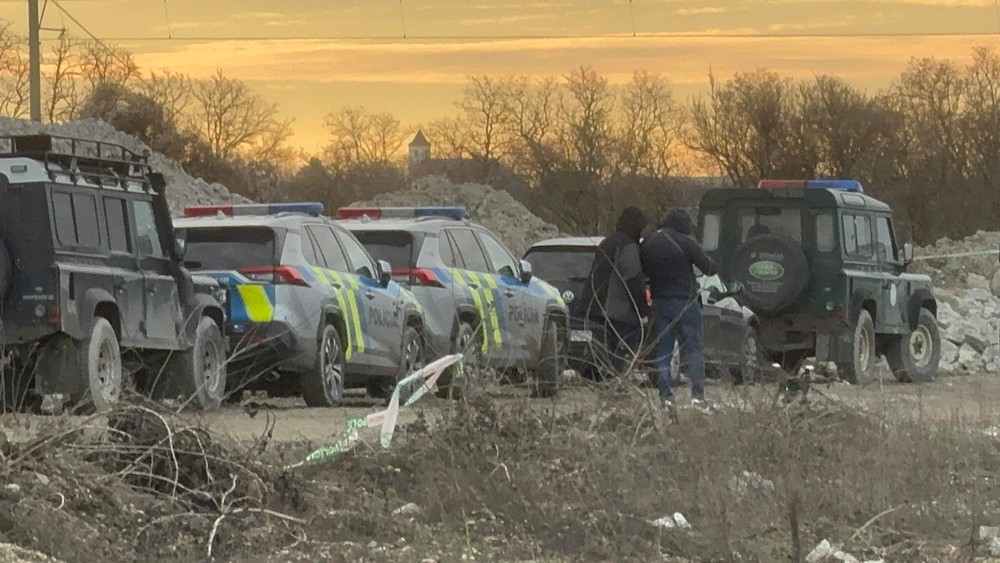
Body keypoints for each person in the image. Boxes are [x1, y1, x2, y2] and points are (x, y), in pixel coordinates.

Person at [641, 208, 718, 413]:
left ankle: (666, 397)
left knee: (664, 351)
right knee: (694, 349)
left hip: (660, 303)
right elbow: (710, 268)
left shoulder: (649, 243)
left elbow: (644, 271)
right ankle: (698, 397)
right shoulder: (686, 242)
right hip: (685, 303)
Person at [574, 207, 650, 379]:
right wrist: (642, 311)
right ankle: (614, 382)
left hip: (595, 306)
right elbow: (631, 280)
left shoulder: (608, 242)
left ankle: (598, 380)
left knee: (601, 350)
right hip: (619, 312)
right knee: (620, 351)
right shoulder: (628, 246)